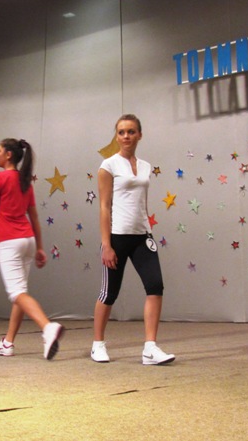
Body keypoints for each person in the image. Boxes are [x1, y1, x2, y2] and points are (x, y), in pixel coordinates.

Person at [92, 114, 175, 365]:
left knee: (155, 286)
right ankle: (98, 344)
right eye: (121, 132)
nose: (126, 136)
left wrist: (147, 228)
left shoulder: (146, 166)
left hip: (142, 236)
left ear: (139, 135)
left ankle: (150, 348)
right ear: (116, 136)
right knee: (109, 293)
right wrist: (106, 245)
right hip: (117, 237)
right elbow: (104, 207)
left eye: (130, 131)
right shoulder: (108, 166)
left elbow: (141, 202)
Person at [0, 138, 64, 360]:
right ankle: (8, 343)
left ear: (8, 155)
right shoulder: (25, 182)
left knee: (16, 293)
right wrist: (40, 247)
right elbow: (34, 216)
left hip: (10, 242)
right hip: (28, 240)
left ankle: (48, 328)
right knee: (20, 293)